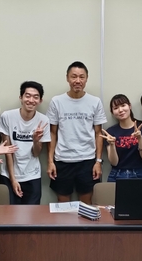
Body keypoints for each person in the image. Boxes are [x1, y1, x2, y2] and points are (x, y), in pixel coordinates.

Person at [46, 61, 107, 204]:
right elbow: (52, 133)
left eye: (81, 77)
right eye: (74, 76)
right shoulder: (57, 101)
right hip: (62, 160)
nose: (78, 80)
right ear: (67, 78)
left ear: (87, 78)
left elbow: (98, 133)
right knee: (63, 205)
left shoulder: (95, 102)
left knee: (86, 205)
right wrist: (50, 161)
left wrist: (98, 162)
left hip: (87, 160)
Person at [0, 81, 51, 205]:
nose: (31, 100)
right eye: (27, 96)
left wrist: (36, 141)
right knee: (8, 214)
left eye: (35, 97)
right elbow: (8, 151)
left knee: (32, 214)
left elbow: (36, 153)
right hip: (8, 174)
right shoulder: (7, 116)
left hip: (32, 175)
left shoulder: (43, 120)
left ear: (40, 101)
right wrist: (13, 180)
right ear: (21, 97)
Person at [100, 94, 142, 182]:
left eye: (123, 105)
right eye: (116, 108)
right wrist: (112, 144)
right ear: (112, 112)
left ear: (129, 106)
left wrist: (140, 138)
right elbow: (114, 162)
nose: (120, 110)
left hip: (138, 174)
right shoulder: (110, 132)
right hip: (116, 174)